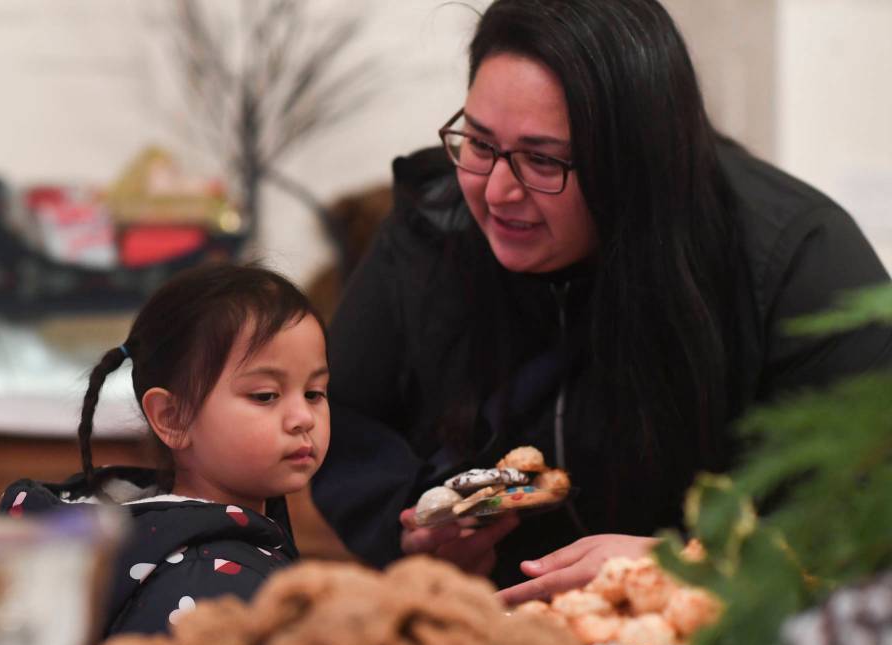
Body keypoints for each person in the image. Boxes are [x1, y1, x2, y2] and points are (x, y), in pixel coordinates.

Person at [311, 0, 892, 606]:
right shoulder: (434, 226)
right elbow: (341, 418)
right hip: (500, 637)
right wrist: (408, 530)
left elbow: (865, 502)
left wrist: (695, 564)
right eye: (479, 144)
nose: (498, 192)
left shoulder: (793, 255)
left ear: (635, 159)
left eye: (541, 159)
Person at [0, 263, 330, 636]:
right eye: (265, 395)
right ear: (173, 418)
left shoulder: (182, 540)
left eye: (314, 392)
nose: (303, 417)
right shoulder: (211, 582)